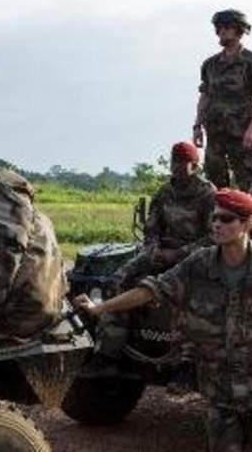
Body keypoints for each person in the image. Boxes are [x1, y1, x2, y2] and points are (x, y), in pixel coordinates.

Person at [75, 189, 252, 452]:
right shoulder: (199, 263)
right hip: (219, 393)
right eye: (215, 218)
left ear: (248, 223)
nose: (217, 224)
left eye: (227, 218)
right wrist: (101, 307)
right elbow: (153, 289)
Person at [90, 141, 215, 374]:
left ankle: (185, 365)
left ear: (195, 165)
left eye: (182, 163)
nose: (176, 167)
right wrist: (154, 249)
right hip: (160, 251)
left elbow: (213, 237)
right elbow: (152, 228)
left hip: (193, 256)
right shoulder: (165, 191)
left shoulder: (207, 194)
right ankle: (109, 353)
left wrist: (177, 254)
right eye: (174, 161)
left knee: (183, 297)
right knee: (117, 281)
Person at [193, 9, 252, 197]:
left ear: (239, 30)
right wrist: (197, 125)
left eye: (227, 27)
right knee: (215, 188)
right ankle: (220, 225)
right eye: (218, 27)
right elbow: (205, 96)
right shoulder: (210, 64)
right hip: (216, 133)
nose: (222, 31)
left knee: (250, 189)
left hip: (241, 133)